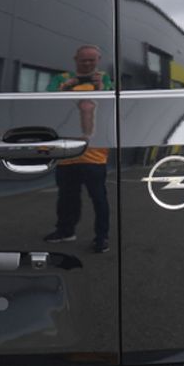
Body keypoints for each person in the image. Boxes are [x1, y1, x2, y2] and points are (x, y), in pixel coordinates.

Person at [43, 44, 113, 253]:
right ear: (75, 59)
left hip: (95, 152)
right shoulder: (61, 78)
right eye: (84, 60)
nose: (88, 64)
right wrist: (66, 87)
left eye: (92, 60)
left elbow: (111, 105)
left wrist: (100, 88)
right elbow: (46, 101)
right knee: (66, 196)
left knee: (98, 197)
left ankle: (102, 237)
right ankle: (65, 230)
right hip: (66, 150)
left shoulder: (104, 79)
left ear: (98, 60)